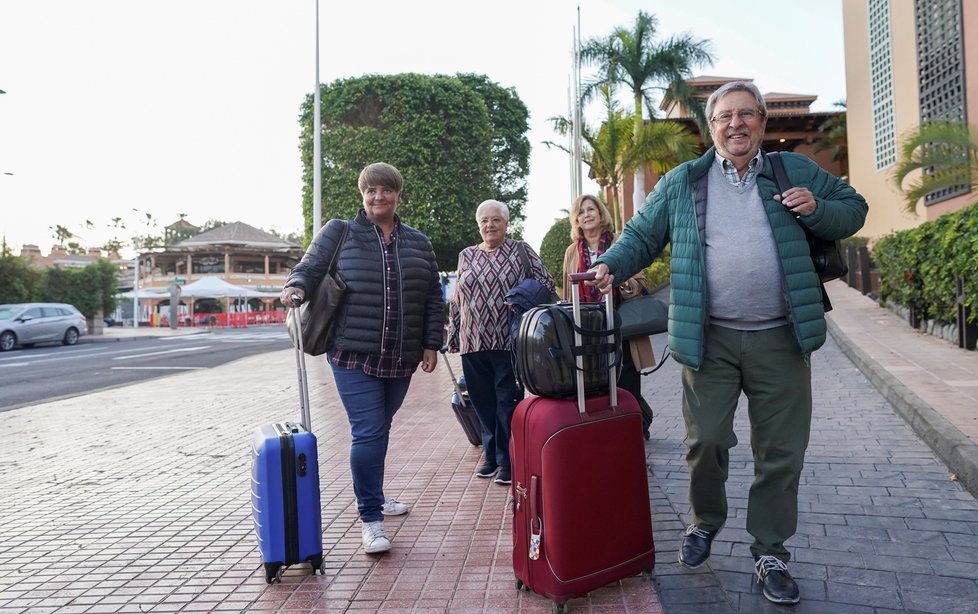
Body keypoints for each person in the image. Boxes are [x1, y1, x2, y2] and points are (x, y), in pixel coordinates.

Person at [587, 81, 868, 606]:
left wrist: (816, 209)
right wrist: (608, 265)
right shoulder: (684, 180)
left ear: (761, 122)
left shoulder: (793, 170)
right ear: (710, 127)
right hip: (708, 338)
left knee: (781, 453)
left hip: (781, 339)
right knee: (706, 442)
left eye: (746, 115)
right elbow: (641, 236)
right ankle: (704, 521)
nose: (735, 125)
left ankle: (770, 551)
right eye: (724, 117)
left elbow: (853, 208)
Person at [281, 162, 443, 555]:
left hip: (400, 358)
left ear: (397, 195)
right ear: (362, 194)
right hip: (352, 353)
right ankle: (371, 518)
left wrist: (431, 343)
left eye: (385, 190)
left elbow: (432, 298)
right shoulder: (341, 232)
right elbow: (309, 267)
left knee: (380, 428)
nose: (377, 196)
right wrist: (295, 288)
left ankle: (375, 492)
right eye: (370, 190)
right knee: (369, 430)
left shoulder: (418, 243)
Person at [447, 199, 555, 487]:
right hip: (473, 340)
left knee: (506, 401)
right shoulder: (466, 255)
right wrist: (454, 333)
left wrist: (520, 298)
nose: (489, 225)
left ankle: (506, 460)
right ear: (478, 224)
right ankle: (491, 455)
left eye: (495, 220)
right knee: (482, 403)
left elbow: (546, 282)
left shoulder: (520, 251)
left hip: (508, 340)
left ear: (506, 223)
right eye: (484, 220)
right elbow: (458, 298)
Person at [561, 194, 656, 440]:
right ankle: (612, 428)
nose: (587, 215)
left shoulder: (618, 242)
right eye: (581, 212)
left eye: (591, 209)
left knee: (627, 379)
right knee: (599, 381)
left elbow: (640, 281)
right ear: (577, 221)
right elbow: (566, 289)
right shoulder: (572, 251)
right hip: (589, 330)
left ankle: (635, 428)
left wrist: (620, 282)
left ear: (601, 213)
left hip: (622, 325)